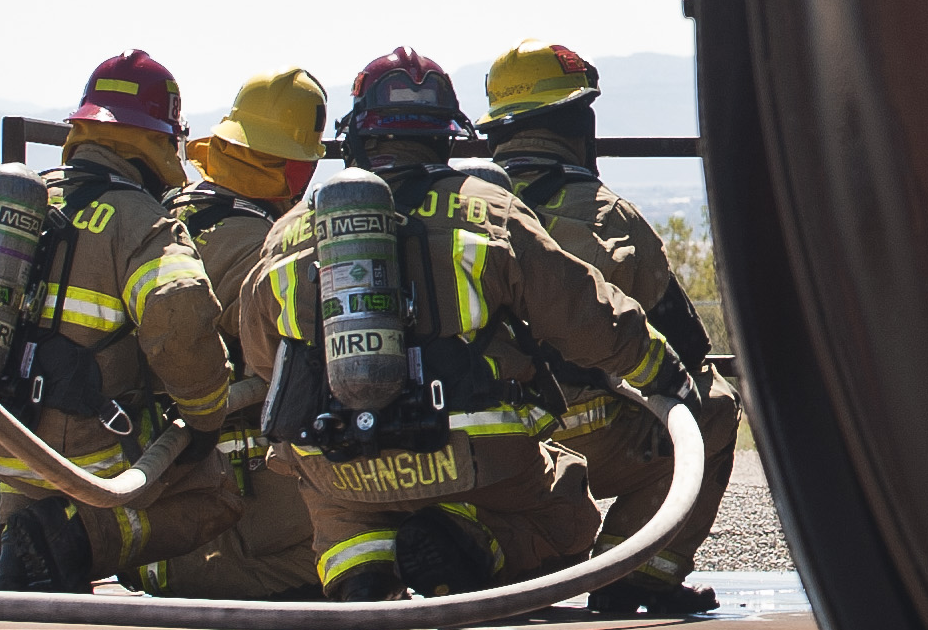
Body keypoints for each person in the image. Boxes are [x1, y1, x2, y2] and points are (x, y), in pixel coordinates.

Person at [236, 47, 698, 602]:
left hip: (336, 457)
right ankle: (469, 541)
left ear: (357, 138)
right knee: (566, 514)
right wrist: (657, 367)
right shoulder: (487, 209)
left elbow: (262, 355)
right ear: (446, 138)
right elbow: (581, 311)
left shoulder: (288, 232)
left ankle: (361, 572)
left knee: (339, 512)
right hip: (470, 454)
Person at [0, 51, 255, 591]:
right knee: (214, 495)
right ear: (160, 141)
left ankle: (30, 571)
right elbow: (180, 310)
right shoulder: (144, 224)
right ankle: (75, 541)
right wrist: (204, 415)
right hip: (82, 452)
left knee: (33, 495)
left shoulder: (24, 199)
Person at [478, 38, 740, 616]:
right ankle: (639, 574)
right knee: (716, 406)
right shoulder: (606, 215)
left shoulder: (462, 212)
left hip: (479, 448)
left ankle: (514, 557)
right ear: (579, 124)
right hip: (581, 440)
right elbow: (686, 347)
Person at [138, 66, 329, 600]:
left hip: (149, 508)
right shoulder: (264, 250)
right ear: (297, 169)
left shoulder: (158, 216)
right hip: (237, 527)